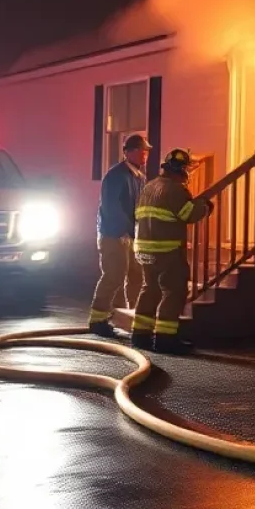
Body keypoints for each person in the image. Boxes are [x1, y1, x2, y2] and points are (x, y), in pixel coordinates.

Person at [130, 148, 211, 354]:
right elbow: (189, 214)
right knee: (174, 291)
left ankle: (140, 334)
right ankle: (165, 338)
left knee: (150, 289)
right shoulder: (175, 190)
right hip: (167, 250)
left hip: (144, 249)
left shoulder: (149, 187)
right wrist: (205, 206)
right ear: (181, 171)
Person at [87, 133, 150, 337]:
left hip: (131, 236)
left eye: (146, 151)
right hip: (114, 235)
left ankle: (135, 318)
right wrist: (126, 230)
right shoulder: (116, 175)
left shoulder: (139, 177)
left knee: (136, 276)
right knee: (114, 275)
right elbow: (112, 206)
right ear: (128, 152)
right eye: (141, 151)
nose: (145, 155)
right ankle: (98, 320)